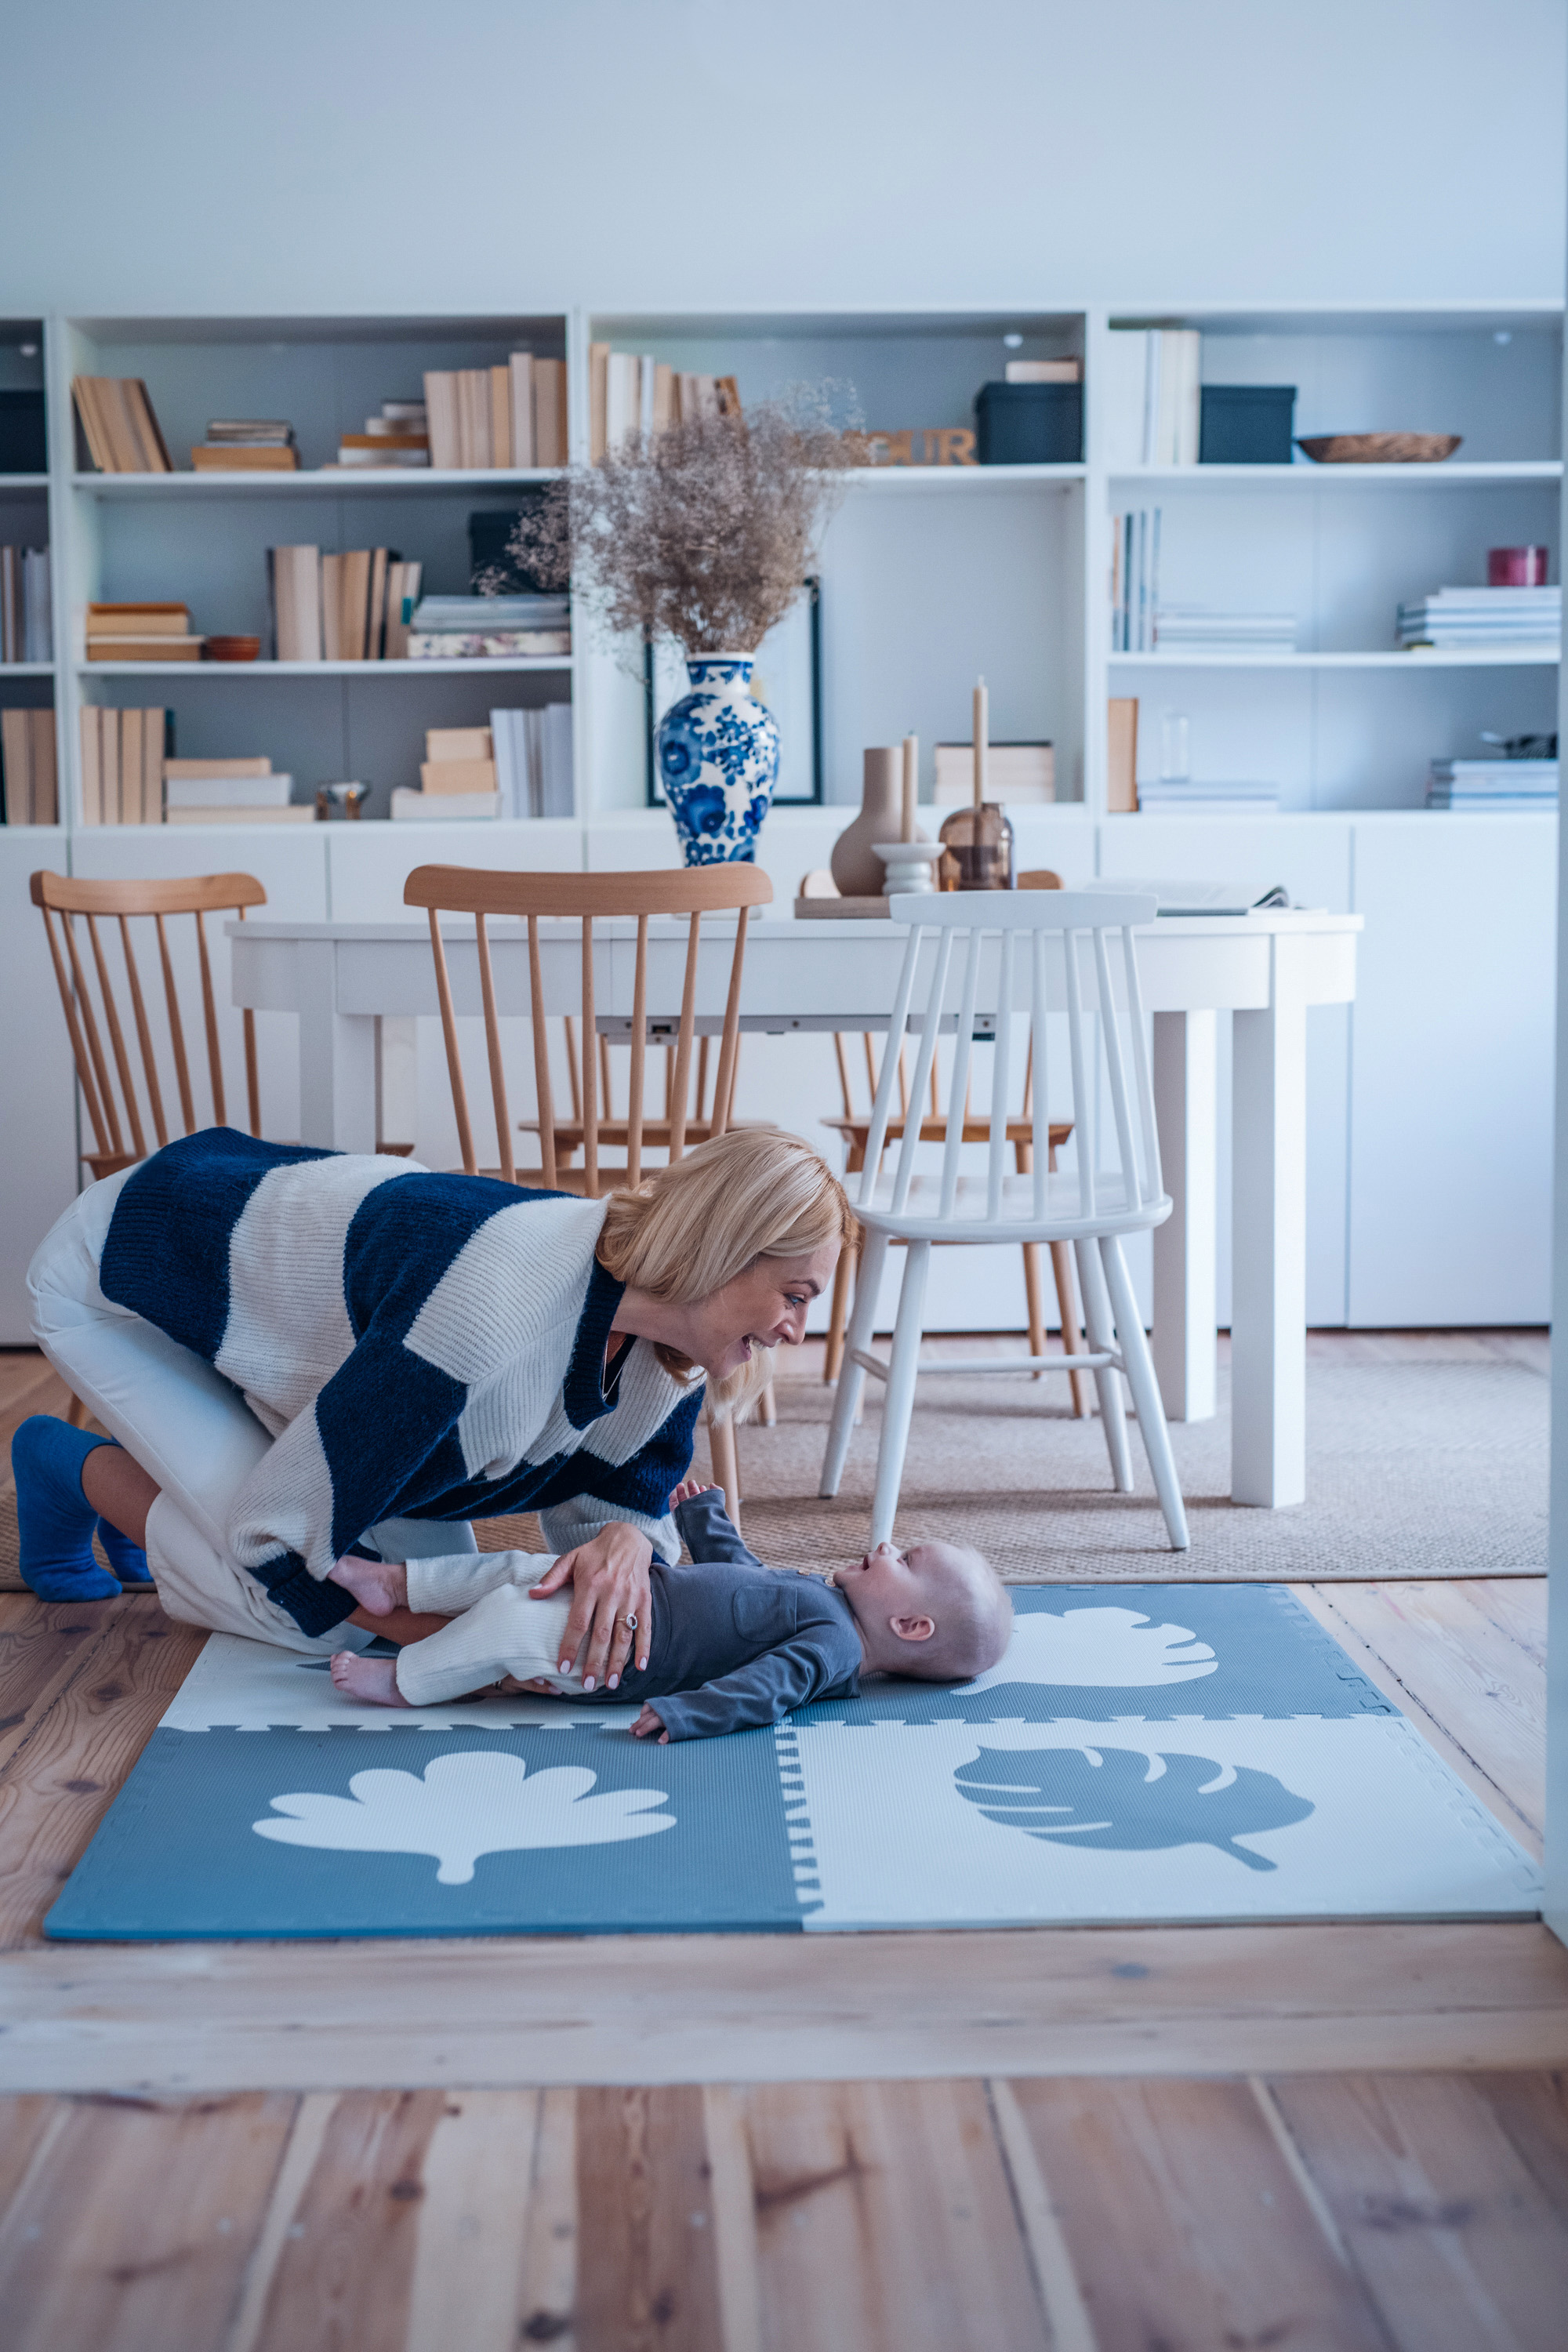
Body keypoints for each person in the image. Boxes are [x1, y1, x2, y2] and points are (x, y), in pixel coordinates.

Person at [16, 1126, 851, 1690]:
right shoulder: (485, 1310)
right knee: (309, 1617)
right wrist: (472, 1657)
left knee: (422, 1590)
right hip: (130, 1275)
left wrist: (627, 1542)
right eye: (794, 1293)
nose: (795, 1329)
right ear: (725, 1251)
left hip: (289, 1317)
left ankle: (159, 1487)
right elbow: (274, 1533)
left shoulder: (669, 1353)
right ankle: (61, 1464)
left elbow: (615, 1510)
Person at [325, 1477, 1014, 1739]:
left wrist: (687, 1713)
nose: (889, 1545)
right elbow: (739, 1575)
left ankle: (407, 1682)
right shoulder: (824, 1600)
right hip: (629, 1590)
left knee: (507, 1618)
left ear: (911, 1627)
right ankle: (398, 1582)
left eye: (909, 1560)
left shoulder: (833, 1649)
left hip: (609, 1652)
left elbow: (761, 1693)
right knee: (514, 1570)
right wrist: (705, 1519)